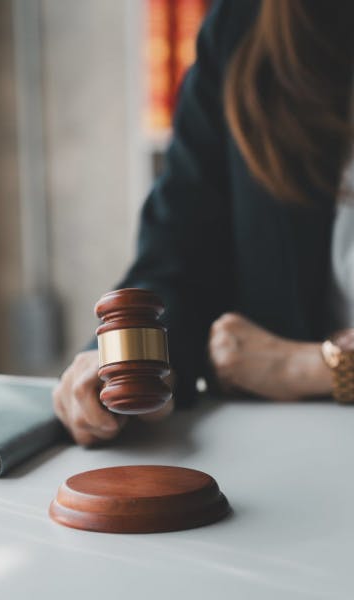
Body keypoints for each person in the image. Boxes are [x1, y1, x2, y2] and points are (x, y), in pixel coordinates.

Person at [53, 0, 354, 446]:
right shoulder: (243, 30)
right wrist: (123, 362)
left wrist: (312, 367)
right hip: (293, 455)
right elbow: (180, 256)